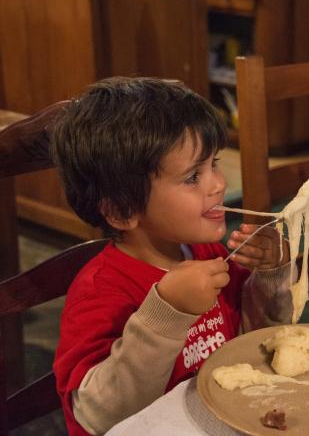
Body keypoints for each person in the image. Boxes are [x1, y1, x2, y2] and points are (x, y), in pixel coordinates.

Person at [52, 77, 295, 435]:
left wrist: (269, 276)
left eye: (213, 163)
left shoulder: (207, 254)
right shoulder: (100, 291)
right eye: (193, 176)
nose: (218, 183)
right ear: (121, 210)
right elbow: (96, 415)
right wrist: (167, 311)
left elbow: (257, 344)